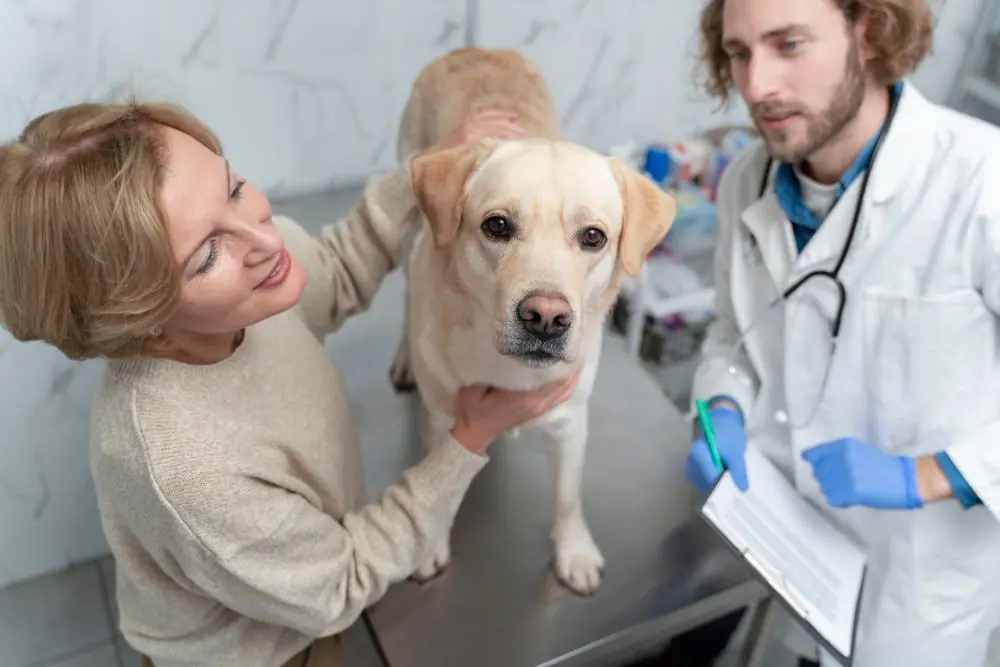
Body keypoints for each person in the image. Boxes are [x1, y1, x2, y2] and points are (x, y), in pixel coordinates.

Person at [0, 101, 580, 667]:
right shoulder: (187, 470)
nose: (267, 239)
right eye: (206, 256)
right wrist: (467, 440)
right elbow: (339, 587)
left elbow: (335, 267)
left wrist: (431, 170)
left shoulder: (250, 286)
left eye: (233, 187)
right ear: (140, 316)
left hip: (300, 582)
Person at [684, 0, 1000, 665]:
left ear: (872, 29)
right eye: (740, 52)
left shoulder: (980, 181)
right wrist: (722, 405)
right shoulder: (748, 181)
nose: (757, 85)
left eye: (788, 45)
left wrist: (930, 474)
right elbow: (731, 336)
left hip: (917, 596)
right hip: (790, 554)